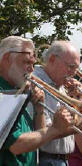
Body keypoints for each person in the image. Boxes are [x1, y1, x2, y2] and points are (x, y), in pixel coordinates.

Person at [0, 36, 74, 166]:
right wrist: (56, 129)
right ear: (6, 58)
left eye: (33, 64)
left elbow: (39, 137)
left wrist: (39, 109)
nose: (32, 69)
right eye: (27, 62)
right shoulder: (3, 93)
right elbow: (16, 145)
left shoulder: (18, 91)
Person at [34, 41, 82, 166]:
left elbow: (71, 120)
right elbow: (44, 131)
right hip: (46, 158)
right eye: (71, 66)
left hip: (61, 159)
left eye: (76, 68)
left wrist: (77, 99)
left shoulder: (60, 85)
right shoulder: (37, 82)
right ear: (52, 59)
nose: (73, 73)